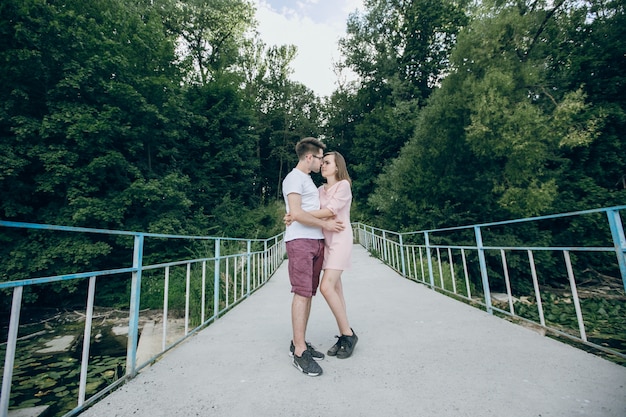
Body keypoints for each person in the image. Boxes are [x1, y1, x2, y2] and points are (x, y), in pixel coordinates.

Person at [285, 151, 358, 360]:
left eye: (327, 162)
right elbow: (310, 209)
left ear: (337, 167)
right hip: (325, 241)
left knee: (326, 287)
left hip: (340, 240)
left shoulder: (343, 185)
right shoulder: (319, 189)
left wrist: (295, 215)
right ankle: (344, 334)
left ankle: (349, 334)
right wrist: (298, 214)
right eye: (322, 162)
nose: (323, 165)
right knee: (336, 289)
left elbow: (330, 212)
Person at [282, 137, 344, 377]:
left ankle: (300, 341)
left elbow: (300, 212)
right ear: (310, 157)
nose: (321, 162)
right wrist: (324, 224)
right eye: (320, 157)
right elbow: (296, 213)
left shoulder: (307, 180)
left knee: (308, 294)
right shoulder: (294, 178)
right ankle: (299, 352)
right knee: (301, 294)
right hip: (300, 241)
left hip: (315, 242)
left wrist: (319, 224)